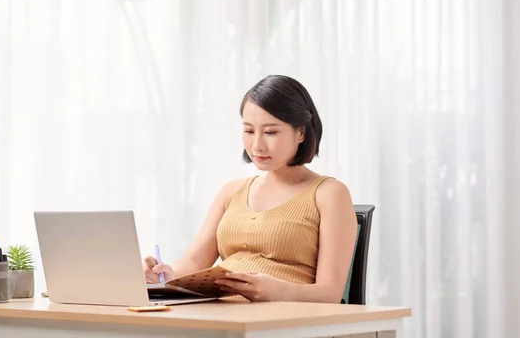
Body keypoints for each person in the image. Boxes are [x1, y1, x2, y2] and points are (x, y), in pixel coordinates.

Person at [143, 75, 358, 303]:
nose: (257, 145)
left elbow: (331, 293)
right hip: (218, 317)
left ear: (301, 133)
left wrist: (280, 292)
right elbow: (195, 262)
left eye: (270, 132)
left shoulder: (329, 193)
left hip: (277, 323)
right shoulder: (231, 191)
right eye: (248, 131)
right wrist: (165, 274)